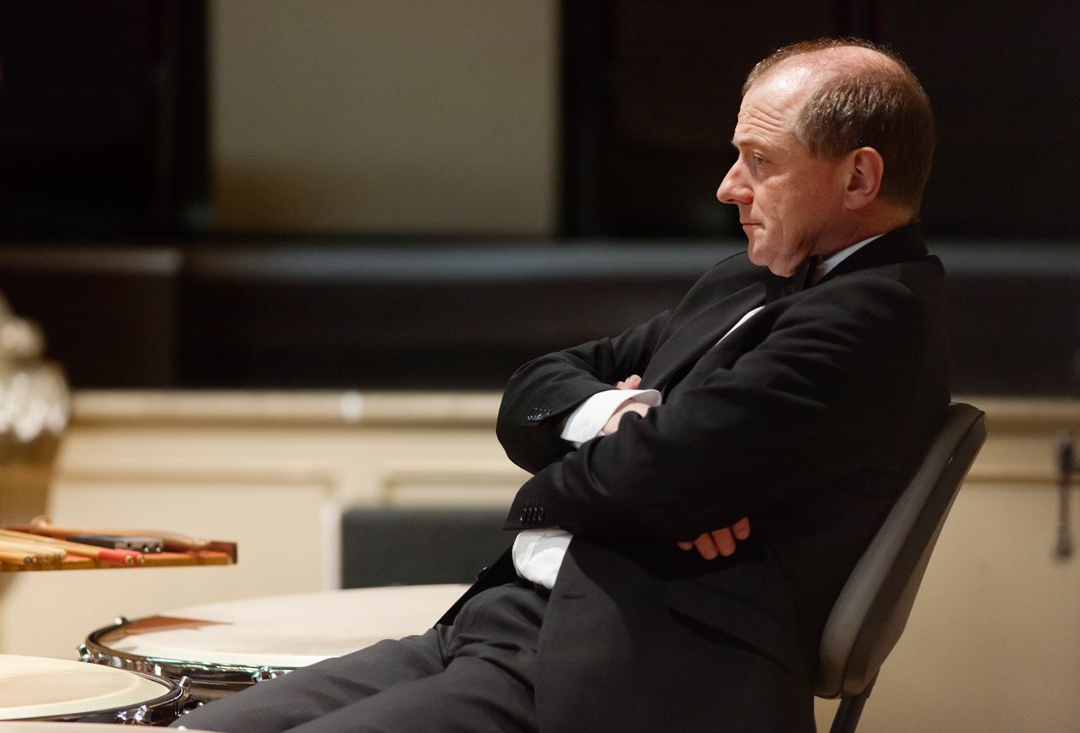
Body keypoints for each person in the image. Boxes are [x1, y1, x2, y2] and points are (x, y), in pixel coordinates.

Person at [176, 37, 949, 733]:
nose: (728, 187)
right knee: (197, 729)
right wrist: (622, 415)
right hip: (505, 623)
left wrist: (647, 465)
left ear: (858, 177)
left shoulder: (875, 316)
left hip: (631, 665)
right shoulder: (747, 279)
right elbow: (535, 389)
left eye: (761, 161)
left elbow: (660, 471)